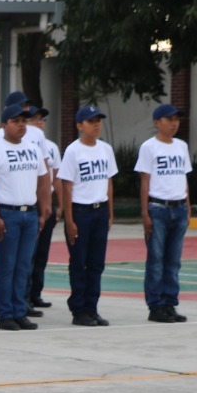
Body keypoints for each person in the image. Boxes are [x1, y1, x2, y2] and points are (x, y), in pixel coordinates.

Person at [0, 103, 52, 330]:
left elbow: (42, 180)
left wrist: (43, 210)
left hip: (29, 213)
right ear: (4, 125)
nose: (21, 125)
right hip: (6, 213)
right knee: (7, 265)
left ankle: (19, 310)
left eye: (24, 121)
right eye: (16, 121)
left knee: (23, 266)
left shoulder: (33, 148)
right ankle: (5, 314)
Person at [57, 105, 116, 327]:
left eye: (98, 121)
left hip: (99, 210)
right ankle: (79, 309)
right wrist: (69, 219)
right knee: (79, 262)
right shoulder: (73, 151)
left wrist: (110, 212)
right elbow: (67, 186)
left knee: (96, 263)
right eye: (91, 121)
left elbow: (109, 181)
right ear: (80, 125)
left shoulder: (106, 149)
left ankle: (92, 307)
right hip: (81, 211)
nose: (96, 125)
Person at [137, 103, 194, 323]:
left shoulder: (181, 146)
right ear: (157, 122)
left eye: (177, 120)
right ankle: (156, 305)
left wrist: (188, 207)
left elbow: (184, 178)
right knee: (156, 260)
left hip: (178, 207)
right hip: (158, 208)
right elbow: (145, 181)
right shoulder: (149, 147)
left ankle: (170, 302)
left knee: (173, 260)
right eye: (169, 119)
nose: (174, 123)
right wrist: (145, 212)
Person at [26, 106, 62, 315]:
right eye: (34, 119)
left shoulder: (50, 147)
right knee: (28, 253)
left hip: (45, 199)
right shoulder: (25, 144)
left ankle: (35, 293)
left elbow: (54, 177)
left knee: (42, 252)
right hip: (30, 197)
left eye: (42, 119)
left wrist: (57, 205)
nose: (39, 122)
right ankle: (25, 295)